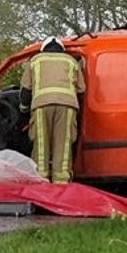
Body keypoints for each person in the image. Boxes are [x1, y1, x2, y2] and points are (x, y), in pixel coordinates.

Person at [21, 37, 85, 183]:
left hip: (41, 106)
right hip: (67, 106)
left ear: (43, 48)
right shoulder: (71, 61)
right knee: (63, 145)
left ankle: (41, 180)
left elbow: (25, 91)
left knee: (41, 144)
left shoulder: (35, 60)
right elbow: (82, 90)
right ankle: (61, 182)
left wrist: (23, 109)